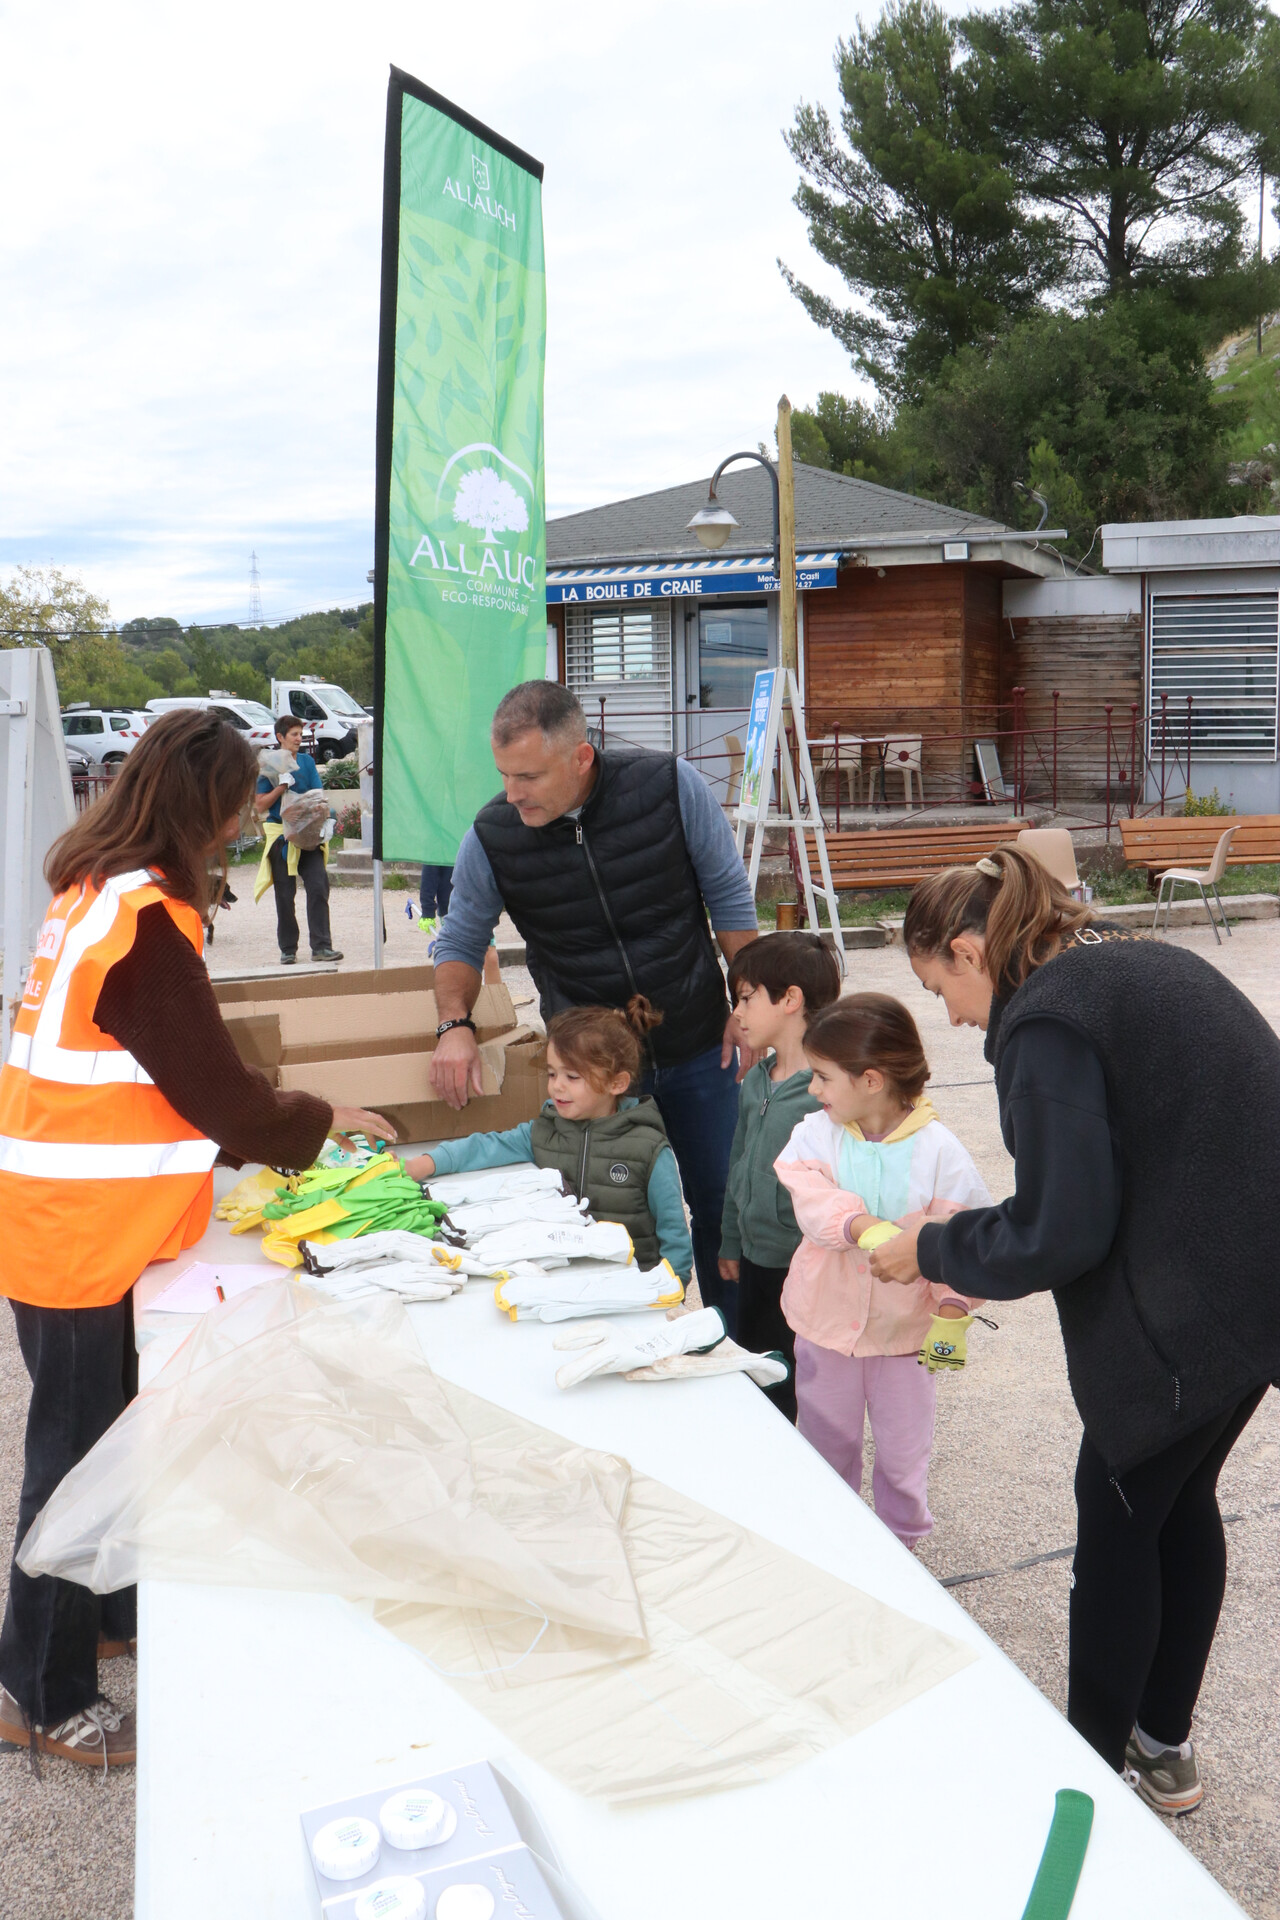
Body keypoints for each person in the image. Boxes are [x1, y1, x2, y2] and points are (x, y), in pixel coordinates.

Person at [0, 709, 394, 1770]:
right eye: (239, 798)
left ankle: (113, 1613)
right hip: (81, 1233)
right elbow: (212, 1089)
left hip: (64, 1219)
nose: (246, 816)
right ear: (207, 806)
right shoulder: (144, 923)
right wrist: (315, 1122)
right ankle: (37, 1691)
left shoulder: (96, 890)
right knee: (75, 1463)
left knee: (113, 1435)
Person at [871, 845, 1280, 1812]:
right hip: (1254, 1285)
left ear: (972, 950)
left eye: (941, 989)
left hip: (1199, 1302)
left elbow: (1058, 1232)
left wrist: (933, 1248)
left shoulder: (1050, 1021)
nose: (953, 1016)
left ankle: (1088, 1768)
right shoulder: (1135, 960)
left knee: (1117, 1510)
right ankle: (1162, 1744)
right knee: (1174, 1500)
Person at [427, 681, 759, 1331]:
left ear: (580, 758)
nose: (512, 793)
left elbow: (729, 899)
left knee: (724, 1210)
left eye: (527, 776)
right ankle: (629, 1361)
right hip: (594, 1068)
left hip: (697, 1044)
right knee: (611, 1219)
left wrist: (746, 1005)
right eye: (504, 775)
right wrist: (453, 1026)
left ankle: (737, 1354)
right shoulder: (493, 836)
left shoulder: (670, 787)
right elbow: (462, 937)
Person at [775, 994, 990, 1547]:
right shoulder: (814, 1134)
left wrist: (953, 1308)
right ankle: (831, 1538)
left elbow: (962, 1232)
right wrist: (861, 1224)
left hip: (904, 1337)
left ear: (870, 1080)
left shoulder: (940, 1150)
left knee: (903, 1451)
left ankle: (901, 1545)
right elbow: (809, 1196)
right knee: (826, 1442)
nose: (813, 1089)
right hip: (826, 1328)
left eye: (822, 1077)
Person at [405, 998, 692, 1282]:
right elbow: (487, 1146)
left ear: (617, 1083)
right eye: (552, 1073)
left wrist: (672, 1288)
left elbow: (674, 1234)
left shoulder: (649, 1148)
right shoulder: (547, 1130)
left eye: (572, 1076)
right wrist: (426, 1163)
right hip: (559, 1283)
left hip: (630, 1291)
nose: (557, 1085)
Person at [717, 932, 842, 1419]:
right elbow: (738, 1160)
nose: (738, 1014)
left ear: (791, 999)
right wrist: (731, 1237)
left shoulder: (828, 1091)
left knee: (803, 1383)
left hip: (805, 1267)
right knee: (760, 1372)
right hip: (754, 1260)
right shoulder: (755, 1079)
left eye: (746, 998)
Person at [255, 714, 342, 964]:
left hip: (308, 836)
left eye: (300, 734)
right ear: (280, 737)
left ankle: (322, 947)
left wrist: (326, 817)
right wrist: (281, 788)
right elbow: (260, 805)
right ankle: (288, 949)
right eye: (294, 734)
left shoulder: (307, 762)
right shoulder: (268, 765)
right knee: (284, 894)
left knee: (317, 886)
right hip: (281, 837)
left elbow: (318, 794)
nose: (298, 738)